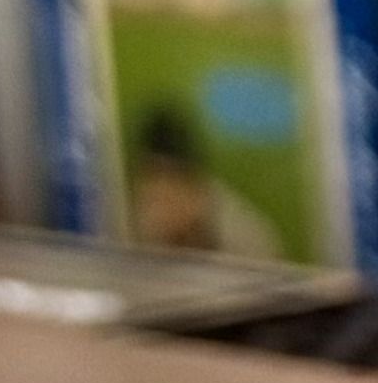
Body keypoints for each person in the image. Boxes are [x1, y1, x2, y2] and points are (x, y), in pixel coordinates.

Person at [121, 99, 283, 261]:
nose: (162, 198)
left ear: (196, 182)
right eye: (153, 177)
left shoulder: (244, 231)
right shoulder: (136, 222)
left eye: (172, 178)